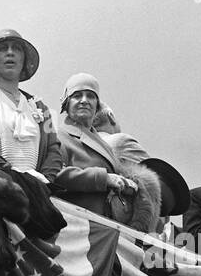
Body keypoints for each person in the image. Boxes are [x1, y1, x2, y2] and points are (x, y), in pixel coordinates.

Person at [51, 74, 165, 231]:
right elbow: (53, 175)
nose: (84, 100)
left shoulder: (102, 143)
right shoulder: (58, 136)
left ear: (97, 105)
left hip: (106, 228)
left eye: (90, 96)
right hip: (77, 228)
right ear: (66, 103)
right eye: (77, 95)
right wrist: (103, 179)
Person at [0, 28, 63, 184]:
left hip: (36, 191)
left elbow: (53, 149)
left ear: (24, 59)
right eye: (3, 48)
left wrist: (44, 181)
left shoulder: (40, 107)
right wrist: (9, 173)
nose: (10, 53)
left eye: (16, 48)